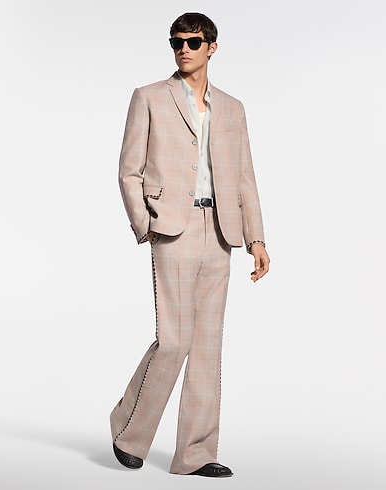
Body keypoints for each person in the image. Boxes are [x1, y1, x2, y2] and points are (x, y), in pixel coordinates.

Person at [110, 12, 270, 478]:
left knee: (205, 346)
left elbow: (244, 177)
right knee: (174, 340)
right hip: (173, 228)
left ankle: (196, 454)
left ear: (212, 47)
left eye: (193, 42)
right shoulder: (148, 97)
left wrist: (256, 238)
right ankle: (128, 431)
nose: (183, 49)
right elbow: (129, 170)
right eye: (176, 42)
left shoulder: (233, 108)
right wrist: (146, 222)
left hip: (220, 230)